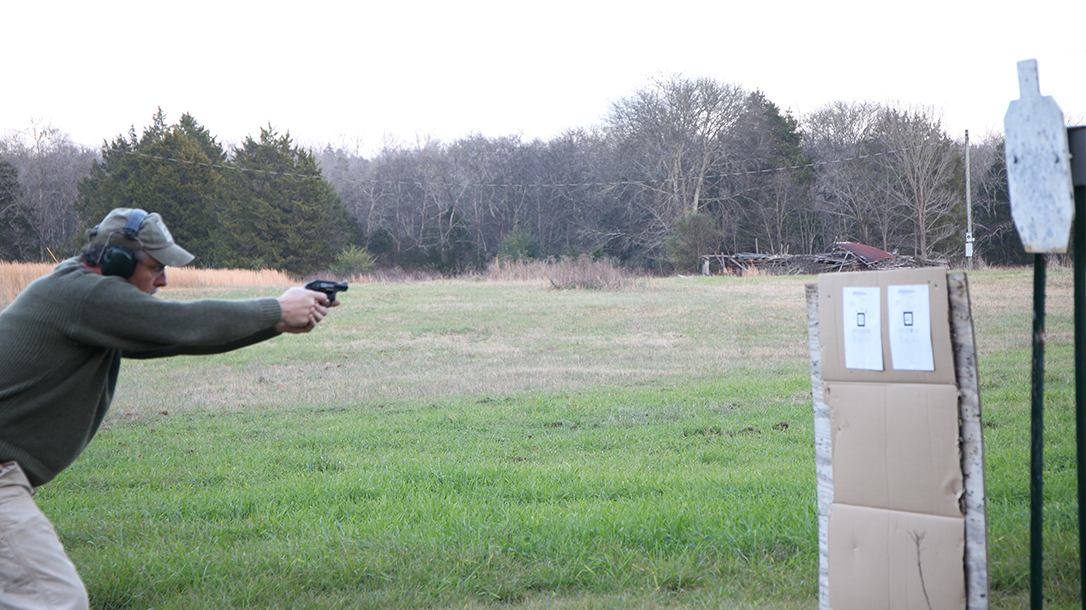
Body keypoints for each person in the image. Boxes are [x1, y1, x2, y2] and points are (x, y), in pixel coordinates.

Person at [0, 208, 336, 609]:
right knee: (55, 600)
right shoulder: (87, 296)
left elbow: (173, 338)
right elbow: (180, 322)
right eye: (155, 267)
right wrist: (277, 309)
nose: (163, 280)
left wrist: (274, 324)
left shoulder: (78, 294)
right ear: (117, 260)